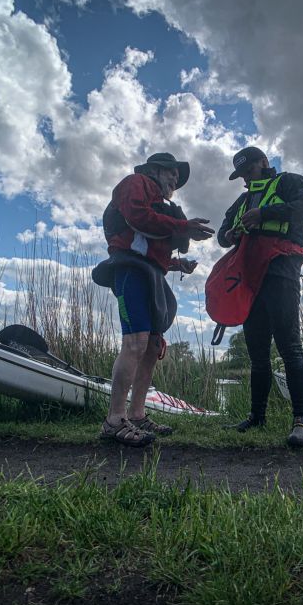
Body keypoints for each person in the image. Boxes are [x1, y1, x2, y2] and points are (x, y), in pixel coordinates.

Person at [92, 153, 214, 446]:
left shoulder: (163, 205)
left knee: (152, 347)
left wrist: (176, 264)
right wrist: (183, 228)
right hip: (129, 269)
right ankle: (114, 420)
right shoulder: (136, 183)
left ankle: (136, 414)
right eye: (172, 174)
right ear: (156, 170)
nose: (175, 180)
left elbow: (151, 248)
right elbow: (138, 218)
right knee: (134, 343)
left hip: (150, 273)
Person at [218, 146, 303, 447]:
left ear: (264, 162)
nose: (246, 178)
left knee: (290, 345)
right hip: (251, 277)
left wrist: (264, 214)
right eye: (242, 175)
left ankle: (301, 421)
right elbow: (223, 233)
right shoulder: (242, 201)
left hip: (281, 269)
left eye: (250, 170)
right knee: (257, 352)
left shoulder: (290, 182)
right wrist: (230, 235)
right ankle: (257, 417)